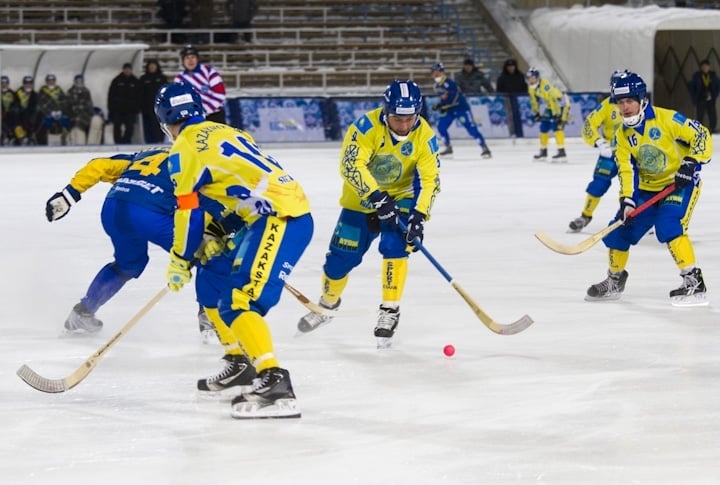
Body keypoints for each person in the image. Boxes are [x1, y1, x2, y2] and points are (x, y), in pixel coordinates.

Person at [154, 82, 313, 419]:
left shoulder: (182, 149)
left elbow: (189, 210)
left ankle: (273, 379)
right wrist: (222, 229)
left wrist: (180, 259)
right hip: (267, 214)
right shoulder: (228, 130)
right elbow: (243, 181)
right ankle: (238, 363)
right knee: (211, 276)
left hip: (278, 218)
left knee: (239, 299)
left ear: (165, 122)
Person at [45, 147, 242, 348]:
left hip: (113, 209)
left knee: (128, 264)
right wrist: (228, 228)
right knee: (208, 256)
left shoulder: (145, 155)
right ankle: (210, 319)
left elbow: (99, 165)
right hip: (149, 215)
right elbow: (208, 204)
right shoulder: (198, 165)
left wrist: (69, 195)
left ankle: (82, 313)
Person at [296, 80, 441, 349]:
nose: (404, 126)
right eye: (398, 119)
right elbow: (350, 165)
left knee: (395, 245)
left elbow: (430, 180)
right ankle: (327, 305)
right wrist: (376, 197)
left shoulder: (425, 136)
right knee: (339, 261)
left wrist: (419, 217)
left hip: (401, 198)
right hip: (361, 200)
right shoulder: (366, 127)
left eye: (410, 119)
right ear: (386, 111)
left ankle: (390, 309)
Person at [585, 71, 712, 307]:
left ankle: (693, 281)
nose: (625, 107)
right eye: (620, 102)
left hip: (678, 183)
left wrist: (691, 162)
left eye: (630, 101)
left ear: (642, 100)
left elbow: (701, 135)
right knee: (619, 231)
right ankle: (614, 281)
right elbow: (625, 170)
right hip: (647, 190)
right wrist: (627, 200)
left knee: (668, 225)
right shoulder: (622, 136)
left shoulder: (668, 119)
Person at [568, 70, 626, 232]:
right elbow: (589, 125)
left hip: (634, 154)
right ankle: (585, 215)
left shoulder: (639, 104)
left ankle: (642, 217)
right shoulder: (607, 106)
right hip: (610, 154)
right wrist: (599, 142)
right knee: (598, 183)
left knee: (638, 186)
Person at [430, 62, 491, 158]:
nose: (435, 74)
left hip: (461, 108)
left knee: (471, 128)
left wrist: (441, 105)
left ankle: (484, 148)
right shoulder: (436, 85)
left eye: (437, 72)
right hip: (450, 109)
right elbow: (444, 97)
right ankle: (448, 147)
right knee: (441, 127)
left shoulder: (449, 82)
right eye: (434, 72)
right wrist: (441, 105)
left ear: (442, 72)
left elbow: (453, 96)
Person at [174, 45, 227, 123]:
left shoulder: (209, 72)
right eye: (187, 58)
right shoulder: (179, 79)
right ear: (183, 60)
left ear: (197, 59)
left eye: (193, 57)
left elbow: (220, 94)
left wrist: (205, 110)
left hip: (215, 117)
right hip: (192, 119)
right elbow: (178, 100)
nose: (190, 60)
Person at [526, 67, 569, 162]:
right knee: (543, 127)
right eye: (529, 78)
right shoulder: (531, 88)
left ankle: (562, 151)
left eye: (532, 78)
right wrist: (536, 112)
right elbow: (534, 101)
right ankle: (543, 151)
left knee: (557, 127)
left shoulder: (545, 86)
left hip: (561, 104)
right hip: (550, 106)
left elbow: (553, 99)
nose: (530, 80)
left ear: (537, 78)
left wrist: (557, 114)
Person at [107, 63, 141, 144]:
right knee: (117, 127)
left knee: (129, 127)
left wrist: (137, 108)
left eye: (128, 69)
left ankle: (126, 141)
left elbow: (139, 96)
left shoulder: (135, 81)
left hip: (130, 110)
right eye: (125, 69)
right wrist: (111, 108)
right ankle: (118, 142)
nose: (127, 70)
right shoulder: (116, 81)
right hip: (118, 109)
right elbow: (111, 95)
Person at [496, 58, 528, 137]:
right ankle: (511, 133)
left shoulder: (520, 76)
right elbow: (499, 90)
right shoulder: (502, 78)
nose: (511, 68)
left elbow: (525, 87)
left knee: (520, 116)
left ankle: (520, 133)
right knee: (509, 117)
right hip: (507, 100)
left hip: (519, 100)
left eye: (512, 66)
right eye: (509, 66)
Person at [37, 74, 70, 146]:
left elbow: (64, 102)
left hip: (59, 114)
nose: (51, 82)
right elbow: (41, 104)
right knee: (43, 123)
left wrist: (60, 111)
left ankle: (65, 138)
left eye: (52, 81)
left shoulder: (59, 89)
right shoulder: (42, 91)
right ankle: (44, 143)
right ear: (46, 82)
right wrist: (50, 112)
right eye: (49, 81)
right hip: (47, 114)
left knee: (66, 122)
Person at [139, 59, 167, 143]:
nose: (152, 67)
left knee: (159, 126)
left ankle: (160, 141)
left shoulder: (162, 78)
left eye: (153, 66)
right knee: (148, 127)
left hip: (160, 107)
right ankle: (149, 143)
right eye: (150, 66)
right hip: (147, 108)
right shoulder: (143, 79)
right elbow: (140, 93)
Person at [688, 59, 720, 134]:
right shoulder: (697, 76)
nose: (705, 68)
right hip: (701, 98)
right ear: (701, 67)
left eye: (706, 66)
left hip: (710, 98)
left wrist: (715, 95)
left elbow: (718, 85)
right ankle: (699, 129)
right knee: (700, 114)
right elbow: (692, 87)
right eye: (703, 66)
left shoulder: (713, 75)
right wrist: (694, 96)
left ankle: (712, 128)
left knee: (712, 114)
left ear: (709, 67)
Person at [66, 74, 96, 145]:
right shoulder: (70, 92)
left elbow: (89, 105)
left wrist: (89, 114)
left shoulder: (86, 91)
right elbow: (67, 105)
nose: (79, 83)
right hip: (73, 116)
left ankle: (83, 145)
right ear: (74, 82)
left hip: (84, 116)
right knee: (74, 128)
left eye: (81, 81)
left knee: (81, 126)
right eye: (77, 81)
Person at [15, 76, 41, 145]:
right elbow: (15, 104)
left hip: (30, 116)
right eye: (26, 83)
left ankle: (31, 136)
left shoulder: (34, 94)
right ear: (24, 84)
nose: (28, 85)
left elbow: (36, 106)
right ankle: (21, 138)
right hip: (19, 115)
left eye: (30, 83)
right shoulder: (18, 93)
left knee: (38, 117)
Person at [1, 75, 20, 145]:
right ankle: (5, 137)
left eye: (5, 83)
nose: (3, 85)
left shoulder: (12, 93)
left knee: (16, 122)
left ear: (8, 84)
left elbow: (17, 104)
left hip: (10, 114)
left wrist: (10, 110)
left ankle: (16, 137)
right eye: (2, 83)